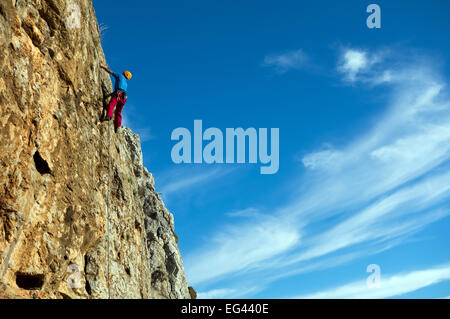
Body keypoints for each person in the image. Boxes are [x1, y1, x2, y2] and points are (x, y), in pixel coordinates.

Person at [101, 65, 132, 132]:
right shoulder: (126, 84)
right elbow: (120, 90)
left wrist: (103, 67)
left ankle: (108, 116)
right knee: (118, 112)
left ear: (124, 73)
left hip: (118, 94)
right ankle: (117, 126)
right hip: (124, 97)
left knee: (111, 105)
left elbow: (110, 72)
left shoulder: (120, 76)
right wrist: (108, 95)